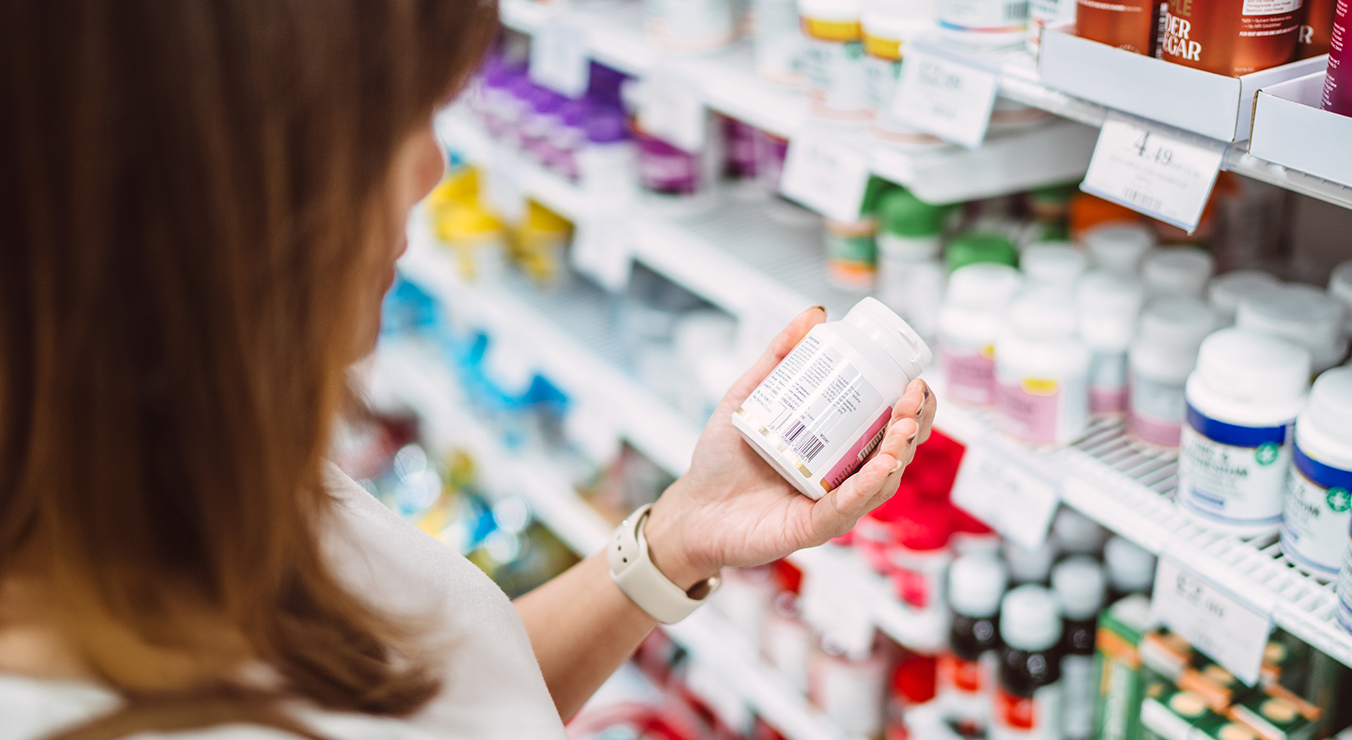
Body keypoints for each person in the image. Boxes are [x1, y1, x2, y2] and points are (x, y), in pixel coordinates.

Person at [0, 2, 938, 738]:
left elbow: (456, 705)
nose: (433, 168)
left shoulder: (188, 478)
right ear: (219, 186)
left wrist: (673, 543)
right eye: (392, 120)